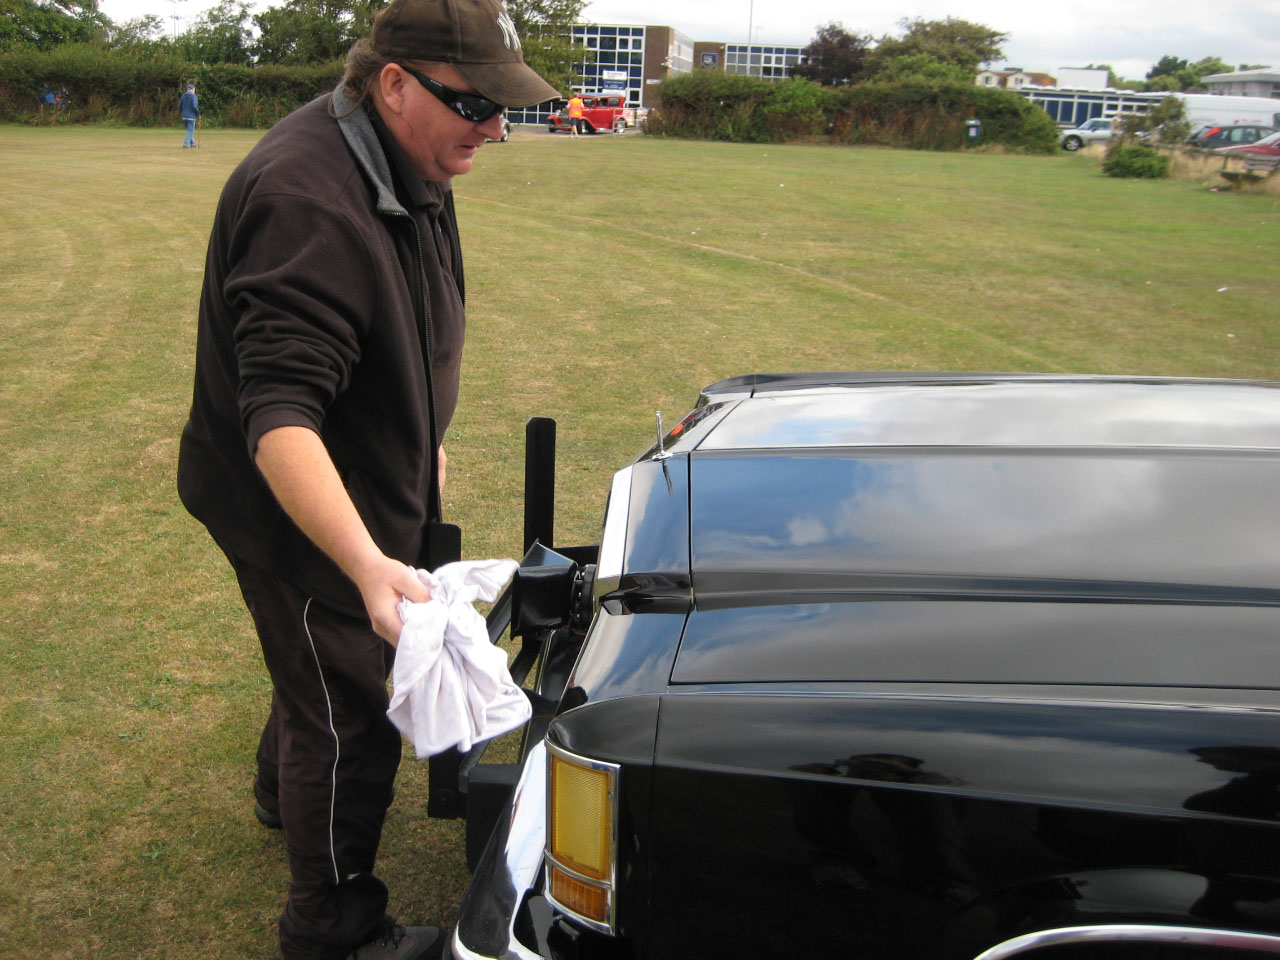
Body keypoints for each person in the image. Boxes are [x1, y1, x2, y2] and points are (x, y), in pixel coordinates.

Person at [175, 0, 557, 956]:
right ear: (395, 83)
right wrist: (361, 562)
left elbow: (406, 315)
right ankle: (333, 928)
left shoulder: (409, 151)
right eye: (477, 107)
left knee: (314, 674)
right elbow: (281, 417)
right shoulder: (307, 199)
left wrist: (420, 436)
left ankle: (277, 786)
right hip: (293, 503)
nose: (497, 129)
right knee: (347, 701)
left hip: (367, 471)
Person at [179, 82, 200, 148]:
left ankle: (193, 143)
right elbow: (194, 106)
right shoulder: (193, 96)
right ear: (192, 89)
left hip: (184, 116)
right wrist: (198, 114)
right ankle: (186, 144)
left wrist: (182, 112)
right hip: (191, 116)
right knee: (190, 131)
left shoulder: (183, 96)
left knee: (189, 130)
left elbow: (179, 106)